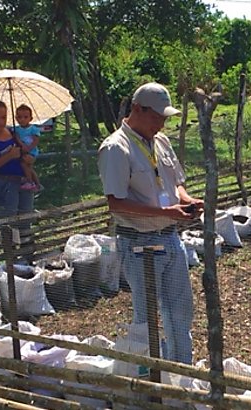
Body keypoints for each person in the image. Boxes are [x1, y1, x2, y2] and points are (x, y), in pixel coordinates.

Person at [97, 82, 202, 364]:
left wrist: (188, 201)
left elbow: (176, 184)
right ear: (137, 109)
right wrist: (168, 212)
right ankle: (152, 372)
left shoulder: (161, 141)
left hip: (170, 237)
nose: (161, 123)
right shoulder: (115, 148)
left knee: (180, 310)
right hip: (138, 243)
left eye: (164, 118)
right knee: (147, 316)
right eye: (156, 117)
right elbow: (115, 203)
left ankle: (182, 370)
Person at [0, 100, 35, 224]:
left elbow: (24, 150)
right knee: (9, 220)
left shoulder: (12, 132)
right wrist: (9, 156)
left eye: (3, 117)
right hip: (4, 182)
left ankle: (27, 242)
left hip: (23, 179)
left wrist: (29, 159)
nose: (1, 122)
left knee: (26, 216)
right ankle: (9, 243)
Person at [13, 104, 42, 191]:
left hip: (31, 152)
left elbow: (36, 140)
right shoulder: (16, 129)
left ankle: (30, 181)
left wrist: (29, 148)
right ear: (16, 118)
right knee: (28, 168)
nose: (22, 119)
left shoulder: (33, 129)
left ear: (30, 118)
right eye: (20, 117)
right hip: (22, 150)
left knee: (25, 164)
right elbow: (17, 138)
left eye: (25, 117)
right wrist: (22, 145)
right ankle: (37, 184)